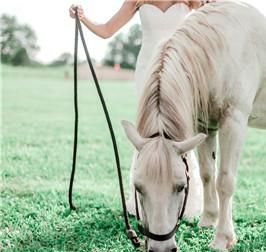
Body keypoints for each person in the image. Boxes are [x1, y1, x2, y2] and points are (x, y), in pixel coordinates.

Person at [69, 0, 211, 218]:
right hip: (147, 69)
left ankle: (186, 199)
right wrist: (83, 17)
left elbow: (213, 17)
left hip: (181, 70)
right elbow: (107, 31)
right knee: (148, 130)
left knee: (179, 128)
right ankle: (142, 197)